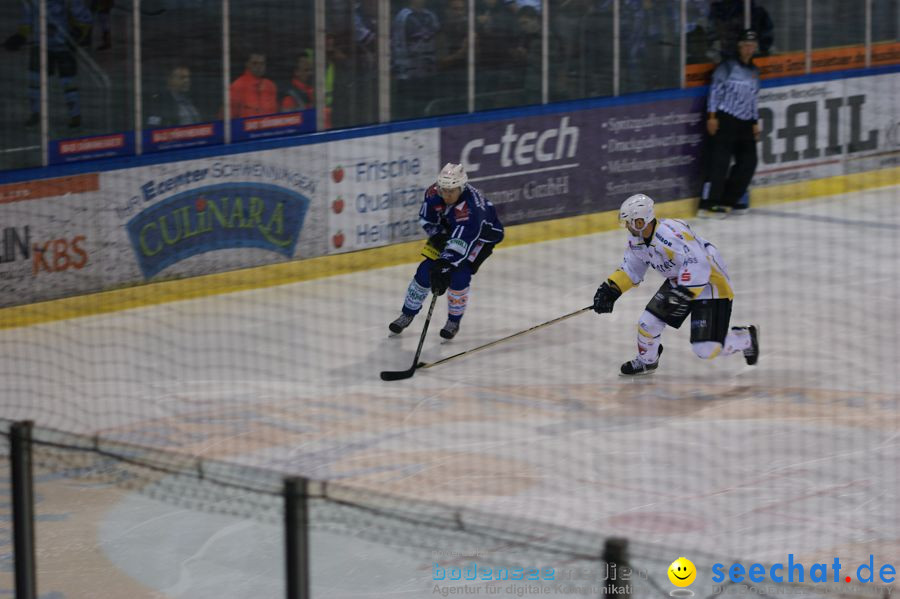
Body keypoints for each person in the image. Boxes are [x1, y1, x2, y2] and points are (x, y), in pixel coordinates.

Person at [592, 193, 758, 375]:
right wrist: (611, 289)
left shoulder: (670, 235)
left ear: (640, 221)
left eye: (629, 222)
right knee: (648, 324)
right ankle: (647, 361)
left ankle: (744, 338)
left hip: (711, 283)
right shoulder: (637, 241)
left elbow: (699, 264)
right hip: (680, 281)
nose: (627, 227)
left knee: (705, 349)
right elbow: (631, 268)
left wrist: (682, 294)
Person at [389, 163, 504, 340]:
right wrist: (437, 235)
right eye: (444, 190)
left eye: (452, 191)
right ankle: (407, 314)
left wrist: (445, 263)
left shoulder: (472, 209)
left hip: (480, 237)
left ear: (462, 187)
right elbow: (426, 219)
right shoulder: (433, 193)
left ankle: (453, 322)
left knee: (459, 276)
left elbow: (463, 241)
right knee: (424, 272)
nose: (447, 195)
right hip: (450, 230)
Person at [698, 28, 760, 217]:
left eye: (752, 46)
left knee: (749, 162)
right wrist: (712, 116)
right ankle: (709, 203)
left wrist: (755, 121)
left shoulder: (754, 71)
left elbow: (753, 97)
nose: (749, 49)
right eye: (746, 45)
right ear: (740, 47)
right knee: (719, 162)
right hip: (725, 118)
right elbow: (715, 90)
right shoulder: (727, 67)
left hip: (746, 122)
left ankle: (729, 200)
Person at [3, 0, 93, 129]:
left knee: (68, 81)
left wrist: (77, 33)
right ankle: (36, 113)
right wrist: (21, 36)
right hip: (40, 44)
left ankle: (75, 115)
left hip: (63, 45)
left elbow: (83, 17)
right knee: (35, 79)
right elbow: (28, 17)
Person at [228, 52, 278, 118]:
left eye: (262, 63)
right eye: (255, 63)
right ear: (247, 64)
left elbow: (276, 115)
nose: (259, 67)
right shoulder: (237, 86)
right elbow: (228, 119)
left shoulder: (270, 86)